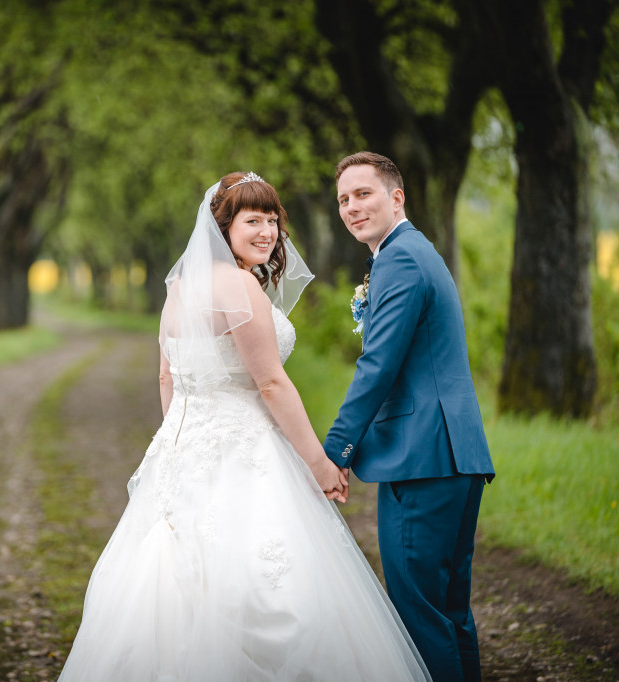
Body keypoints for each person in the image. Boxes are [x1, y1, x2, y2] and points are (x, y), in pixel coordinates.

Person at [57, 172, 431, 681]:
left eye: (273, 221)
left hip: (182, 449)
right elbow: (272, 385)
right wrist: (320, 465)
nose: (268, 233)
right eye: (253, 221)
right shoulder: (239, 286)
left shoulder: (179, 288)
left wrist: (186, 440)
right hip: (244, 448)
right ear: (223, 228)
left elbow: (168, 377)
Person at [322, 151, 496, 682]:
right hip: (453, 455)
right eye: (343, 200)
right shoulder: (413, 252)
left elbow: (378, 367)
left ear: (397, 196)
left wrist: (334, 451)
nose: (352, 207)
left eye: (363, 194)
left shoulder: (400, 259)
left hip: (423, 460)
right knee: (449, 613)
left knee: (420, 617)